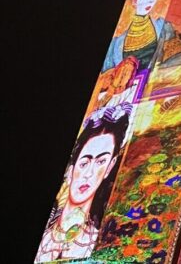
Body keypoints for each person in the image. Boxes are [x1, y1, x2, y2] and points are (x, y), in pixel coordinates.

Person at [36, 108, 130, 262]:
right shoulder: (45, 239)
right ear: (71, 169)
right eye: (84, 163)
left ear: (110, 167)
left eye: (101, 162)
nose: (89, 173)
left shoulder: (98, 240)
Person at [101, 0, 181, 76]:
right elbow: (105, 75)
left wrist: (153, 76)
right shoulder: (116, 44)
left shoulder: (163, 27)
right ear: (135, 1)